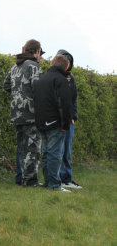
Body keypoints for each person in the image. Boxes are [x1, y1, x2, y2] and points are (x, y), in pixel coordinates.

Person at [3, 40, 44, 187]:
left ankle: (22, 179)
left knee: (22, 149)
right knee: (33, 149)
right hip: (31, 114)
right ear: (37, 51)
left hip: (16, 113)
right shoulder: (34, 66)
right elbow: (39, 89)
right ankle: (31, 181)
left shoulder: (15, 66)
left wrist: (17, 94)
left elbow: (6, 85)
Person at [34, 54, 72, 192]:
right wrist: (65, 124)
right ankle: (55, 185)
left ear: (52, 63)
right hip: (55, 122)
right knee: (55, 153)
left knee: (47, 153)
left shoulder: (41, 78)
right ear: (66, 66)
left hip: (40, 121)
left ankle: (48, 182)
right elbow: (65, 104)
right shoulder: (61, 80)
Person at [57, 49, 82, 189]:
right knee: (57, 151)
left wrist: (74, 117)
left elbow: (74, 99)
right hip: (57, 119)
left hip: (69, 120)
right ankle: (58, 178)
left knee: (67, 152)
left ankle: (67, 178)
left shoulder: (71, 79)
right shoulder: (53, 77)